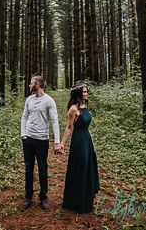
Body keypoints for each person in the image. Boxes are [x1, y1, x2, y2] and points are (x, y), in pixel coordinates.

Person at [20, 75, 61, 211]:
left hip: (42, 140)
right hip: (29, 139)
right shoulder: (29, 100)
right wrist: (23, 134)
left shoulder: (49, 101)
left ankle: (43, 197)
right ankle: (28, 197)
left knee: (43, 170)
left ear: (37, 84)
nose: (29, 85)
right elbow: (24, 116)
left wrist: (57, 142)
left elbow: (55, 121)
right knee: (28, 168)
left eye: (31, 83)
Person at [59, 82, 100, 213]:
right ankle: (76, 201)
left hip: (87, 140)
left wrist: (91, 139)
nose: (87, 93)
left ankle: (86, 199)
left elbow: (87, 125)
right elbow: (69, 128)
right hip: (79, 142)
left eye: (87, 91)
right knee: (80, 168)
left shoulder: (84, 106)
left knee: (88, 167)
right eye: (84, 92)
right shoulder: (73, 109)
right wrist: (62, 144)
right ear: (78, 94)